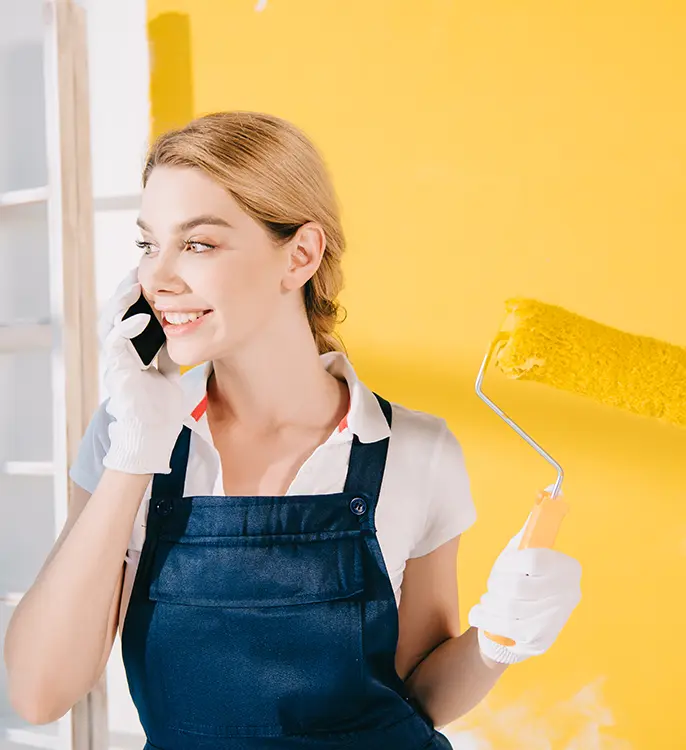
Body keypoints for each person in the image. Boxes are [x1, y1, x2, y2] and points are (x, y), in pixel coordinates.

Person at [4, 111, 581, 749]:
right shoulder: (130, 435)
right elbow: (39, 692)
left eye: (196, 244)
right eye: (148, 244)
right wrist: (134, 451)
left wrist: (497, 640)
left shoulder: (414, 450)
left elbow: (419, 697)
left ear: (300, 255)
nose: (158, 277)